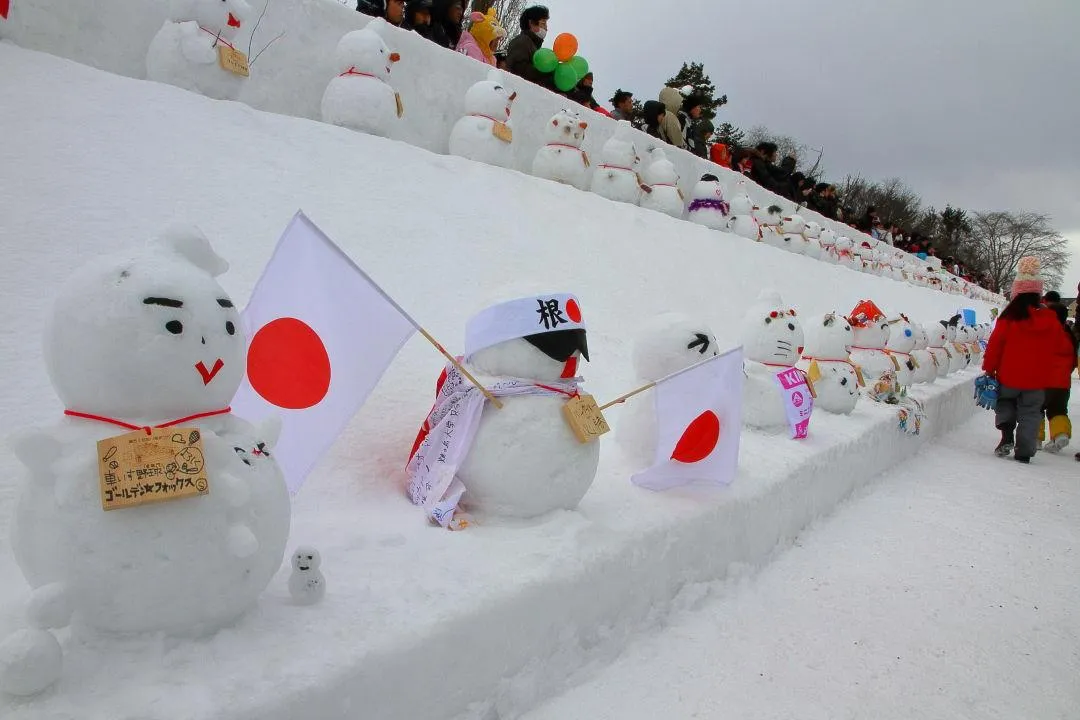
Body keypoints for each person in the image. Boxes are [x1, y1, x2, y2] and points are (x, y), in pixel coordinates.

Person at [982, 257, 1075, 463]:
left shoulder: (1008, 316)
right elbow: (1063, 349)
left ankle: (1006, 436)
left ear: (1016, 292)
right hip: (1037, 380)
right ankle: (1024, 450)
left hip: (1009, 374)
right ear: (1038, 294)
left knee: (1005, 402)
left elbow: (996, 345)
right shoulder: (1050, 319)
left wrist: (989, 368)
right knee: (1031, 412)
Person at [1039, 302, 1077, 452]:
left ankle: (1035, 438)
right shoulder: (1070, 336)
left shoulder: (1044, 334)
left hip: (1043, 381)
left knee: (1036, 409)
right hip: (1063, 383)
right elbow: (1074, 361)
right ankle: (1061, 434)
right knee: (1058, 410)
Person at [505, 6, 553, 89]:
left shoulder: (533, 46)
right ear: (531, 23)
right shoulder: (522, 41)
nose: (546, 28)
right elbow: (518, 70)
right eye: (543, 23)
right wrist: (547, 72)